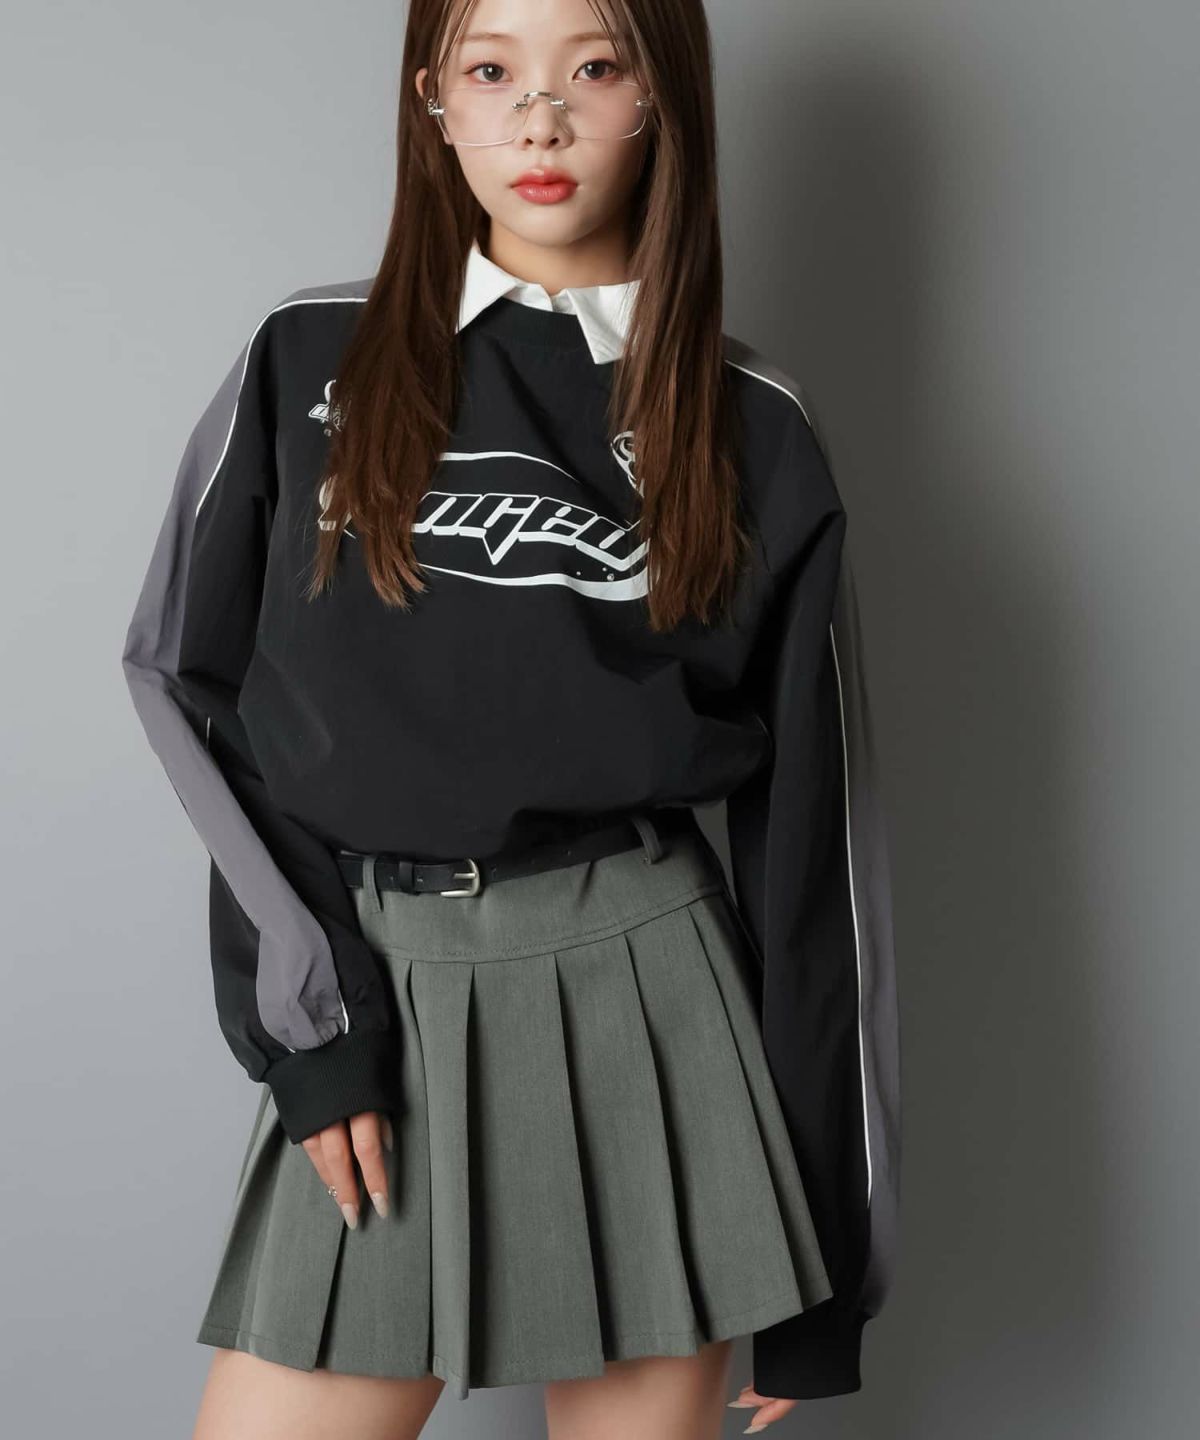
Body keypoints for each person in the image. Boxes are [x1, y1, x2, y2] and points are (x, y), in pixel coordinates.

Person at [120, 1, 901, 1437]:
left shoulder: (757, 423)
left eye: (594, 68)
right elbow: (189, 687)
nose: (540, 118)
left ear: (661, 99)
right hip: (383, 988)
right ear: (435, 97)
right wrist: (314, 1033)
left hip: (656, 1011)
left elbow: (816, 862)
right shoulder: (306, 358)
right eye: (493, 71)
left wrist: (828, 1278)